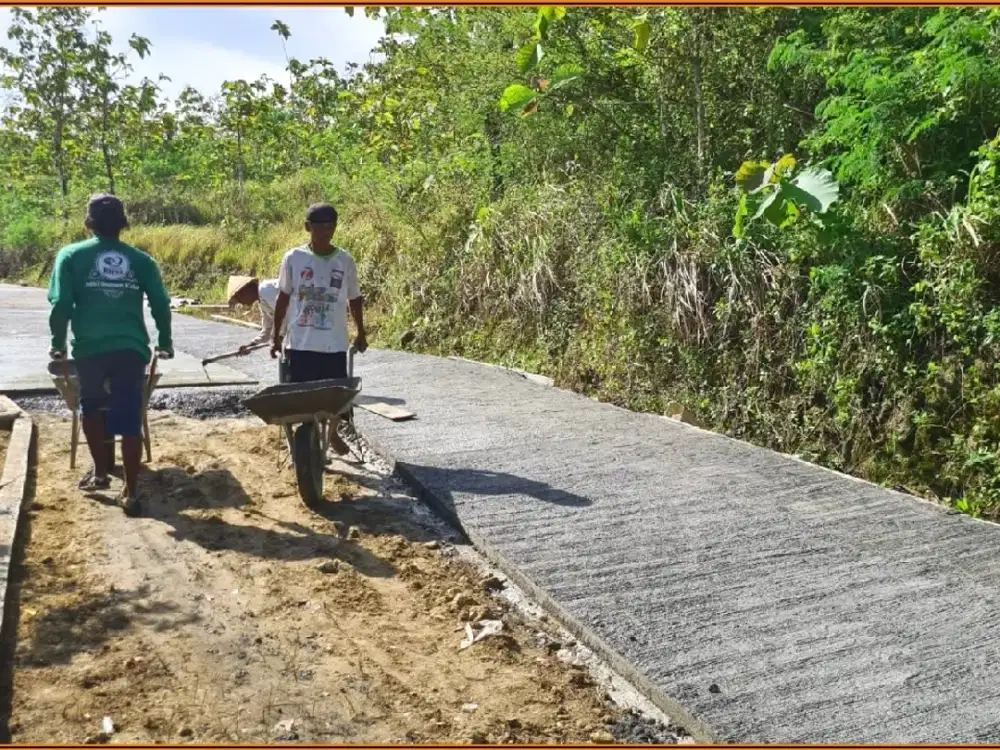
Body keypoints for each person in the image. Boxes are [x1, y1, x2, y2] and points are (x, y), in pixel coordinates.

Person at [48, 193, 173, 516]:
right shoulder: (141, 260)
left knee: (90, 406)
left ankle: (101, 473)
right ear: (123, 223)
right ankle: (131, 491)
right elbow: (160, 303)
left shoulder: (71, 256)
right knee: (130, 415)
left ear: (89, 223)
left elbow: (62, 304)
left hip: (90, 349)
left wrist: (58, 343)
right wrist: (165, 341)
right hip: (131, 349)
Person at [270, 202, 367, 460]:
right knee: (302, 404)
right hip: (301, 344)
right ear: (307, 227)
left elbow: (354, 298)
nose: (325, 232)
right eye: (319, 227)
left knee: (335, 403)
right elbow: (283, 297)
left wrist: (361, 332)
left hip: (333, 344)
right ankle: (311, 442)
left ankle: (331, 434)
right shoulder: (294, 258)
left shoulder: (344, 260)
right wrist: (275, 335)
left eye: (330, 227)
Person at [226, 275, 284, 355]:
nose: (242, 303)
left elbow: (287, 313)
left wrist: (278, 337)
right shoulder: (262, 302)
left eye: (239, 298)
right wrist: (251, 345)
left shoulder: (266, 290)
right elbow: (268, 330)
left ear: (245, 290)